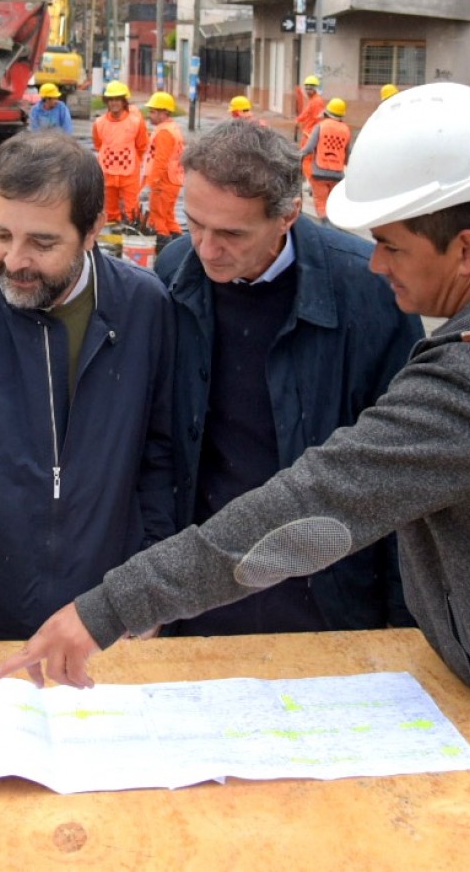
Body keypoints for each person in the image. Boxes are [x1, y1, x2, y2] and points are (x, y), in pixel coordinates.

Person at [0, 83, 470, 844]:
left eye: (393, 244)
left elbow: (315, 500)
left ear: (468, 249)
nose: (376, 265)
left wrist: (105, 609)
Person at [0, 130, 176, 689]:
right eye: (0, 234)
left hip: (110, 621)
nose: (14, 260)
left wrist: (149, 588)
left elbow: (161, 464)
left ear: (92, 231)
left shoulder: (145, 309)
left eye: (41, 243)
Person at [151, 120, 422, 636]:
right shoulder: (174, 270)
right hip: (203, 580)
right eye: (195, 223)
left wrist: (403, 622)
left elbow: (403, 472)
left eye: (231, 233)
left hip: (325, 591)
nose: (206, 249)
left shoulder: (370, 291)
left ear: (288, 216)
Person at [92, 80, 149, 225]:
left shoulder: (135, 122)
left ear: (124, 101)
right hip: (107, 172)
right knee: (109, 211)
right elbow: (99, 145)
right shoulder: (99, 123)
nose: (114, 103)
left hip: (130, 173)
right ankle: (113, 244)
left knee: (132, 210)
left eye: (117, 99)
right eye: (111, 99)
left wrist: (132, 162)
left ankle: (133, 238)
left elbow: (142, 146)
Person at [142, 91, 184, 240]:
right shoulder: (171, 128)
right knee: (168, 219)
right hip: (172, 181)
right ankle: (180, 249)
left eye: (153, 112)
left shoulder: (164, 133)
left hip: (163, 183)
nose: (149, 115)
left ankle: (164, 252)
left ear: (164, 112)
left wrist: (150, 184)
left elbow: (160, 161)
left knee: (157, 219)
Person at [301, 97, 351, 219]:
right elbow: (347, 153)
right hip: (337, 174)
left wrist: (295, 156)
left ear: (327, 112)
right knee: (332, 204)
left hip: (319, 172)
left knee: (321, 204)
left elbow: (308, 149)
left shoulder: (320, 126)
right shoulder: (346, 129)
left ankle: (326, 227)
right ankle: (334, 226)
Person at [294, 74, 324, 145]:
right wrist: (299, 120)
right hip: (307, 133)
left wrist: (313, 136)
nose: (308, 91)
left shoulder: (317, 101)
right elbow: (306, 113)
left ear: (315, 88)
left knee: (307, 154)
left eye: (310, 89)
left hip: (310, 135)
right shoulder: (312, 100)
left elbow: (318, 120)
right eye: (306, 88)